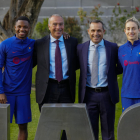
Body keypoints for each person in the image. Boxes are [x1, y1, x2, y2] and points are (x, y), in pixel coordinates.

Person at [33, 14, 78, 139]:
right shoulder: (39, 44)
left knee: (66, 125)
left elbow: (78, 63)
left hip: (66, 88)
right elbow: (29, 62)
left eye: (61, 24)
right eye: (55, 24)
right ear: (49, 26)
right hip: (47, 89)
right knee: (48, 125)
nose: (58, 27)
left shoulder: (72, 42)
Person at [77, 20, 119, 140]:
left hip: (107, 94)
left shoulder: (112, 47)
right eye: (93, 30)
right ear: (88, 31)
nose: (96, 33)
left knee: (108, 133)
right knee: (90, 132)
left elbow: (119, 68)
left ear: (103, 31)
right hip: (89, 95)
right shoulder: (81, 48)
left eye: (99, 30)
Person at [0, 16, 34, 140]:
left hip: (23, 93)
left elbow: (49, 42)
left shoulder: (33, 44)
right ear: (15, 27)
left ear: (29, 28)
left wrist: (63, 35)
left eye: (25, 27)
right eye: (19, 26)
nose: (22, 29)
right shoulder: (5, 44)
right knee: (2, 127)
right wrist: (1, 91)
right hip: (7, 93)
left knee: (23, 127)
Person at [118, 17, 140, 112]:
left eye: (133, 28)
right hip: (126, 95)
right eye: (128, 28)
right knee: (128, 124)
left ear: (139, 30)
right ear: (125, 31)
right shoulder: (121, 50)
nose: (131, 31)